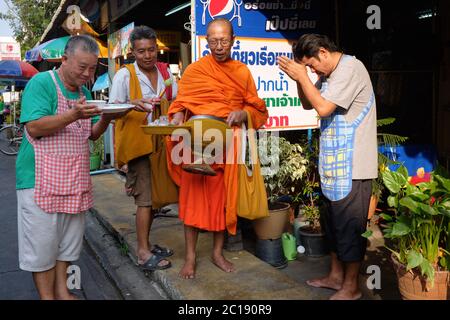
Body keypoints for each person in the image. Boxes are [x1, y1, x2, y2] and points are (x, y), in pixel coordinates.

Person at [16, 35, 123, 300]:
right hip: (39, 180)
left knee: (67, 243)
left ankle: (63, 291)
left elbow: (92, 134)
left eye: (92, 68)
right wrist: (72, 114)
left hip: (73, 179)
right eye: (82, 67)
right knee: (43, 247)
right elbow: (35, 127)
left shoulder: (85, 93)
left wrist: (107, 118)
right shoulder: (42, 84)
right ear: (64, 60)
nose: (87, 74)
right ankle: (47, 297)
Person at [278, 34, 378, 300]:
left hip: (354, 166)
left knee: (350, 229)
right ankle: (335, 277)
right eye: (307, 69)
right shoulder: (329, 75)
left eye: (312, 65)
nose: (312, 71)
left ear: (323, 52)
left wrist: (303, 77)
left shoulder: (350, 68)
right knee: (332, 225)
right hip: (334, 166)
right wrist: (300, 81)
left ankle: (351, 287)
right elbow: (307, 103)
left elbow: (322, 108)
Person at [168, 18, 268, 279]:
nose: (219, 46)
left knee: (221, 202)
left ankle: (217, 252)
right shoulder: (195, 70)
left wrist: (242, 113)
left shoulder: (242, 72)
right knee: (191, 202)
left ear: (233, 40)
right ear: (206, 42)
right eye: (213, 41)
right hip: (194, 143)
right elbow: (181, 103)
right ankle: (190, 257)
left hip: (226, 144)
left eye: (224, 40)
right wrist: (177, 117)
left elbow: (257, 109)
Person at [109, 25, 178, 271]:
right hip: (138, 148)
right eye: (141, 51)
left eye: (151, 50)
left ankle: (146, 243)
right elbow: (112, 111)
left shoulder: (164, 73)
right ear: (132, 52)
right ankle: (142, 252)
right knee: (145, 201)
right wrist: (131, 104)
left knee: (156, 199)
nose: (147, 56)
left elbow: (176, 102)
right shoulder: (124, 76)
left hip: (160, 143)